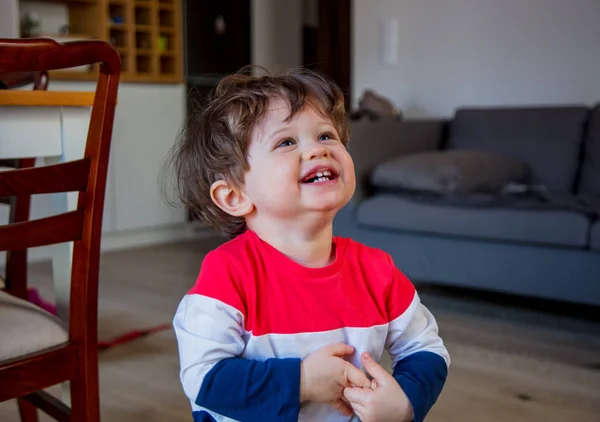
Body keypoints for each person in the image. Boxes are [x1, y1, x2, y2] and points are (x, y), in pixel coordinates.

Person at [167, 67, 450, 422]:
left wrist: (406, 404)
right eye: (286, 142)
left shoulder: (376, 270)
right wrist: (300, 381)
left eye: (327, 136)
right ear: (235, 195)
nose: (318, 150)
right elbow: (204, 378)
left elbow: (426, 348)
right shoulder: (228, 274)